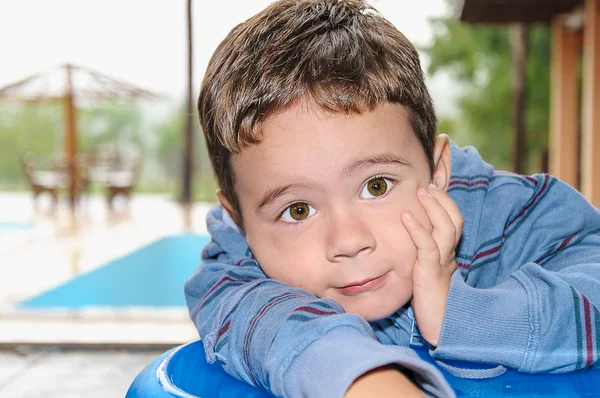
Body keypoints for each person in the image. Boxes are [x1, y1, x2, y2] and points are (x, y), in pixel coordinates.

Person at [184, 0, 600, 397]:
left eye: (376, 186)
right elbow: (260, 321)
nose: (349, 241)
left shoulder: (511, 217)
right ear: (240, 223)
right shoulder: (235, 265)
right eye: (298, 210)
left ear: (437, 171)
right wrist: (363, 381)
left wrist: (464, 313)